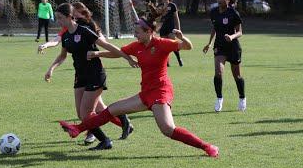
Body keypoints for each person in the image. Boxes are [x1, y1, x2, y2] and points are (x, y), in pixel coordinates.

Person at [58, 9, 219, 158]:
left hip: (160, 92)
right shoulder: (138, 46)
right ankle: (77, 129)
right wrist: (98, 53)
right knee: (112, 109)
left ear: (149, 31)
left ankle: (206, 147)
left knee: (168, 129)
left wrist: (182, 37)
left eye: (137, 33)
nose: (135, 36)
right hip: (146, 93)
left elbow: (187, 47)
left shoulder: (162, 43)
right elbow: (119, 52)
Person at [45, 3, 138, 150]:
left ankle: (105, 140)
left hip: (95, 74)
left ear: (70, 17)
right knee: (82, 115)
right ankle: (119, 123)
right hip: (80, 76)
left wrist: (128, 58)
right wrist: (51, 69)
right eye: (57, 18)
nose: (58, 21)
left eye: (60, 18)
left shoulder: (84, 31)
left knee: (86, 114)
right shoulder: (66, 36)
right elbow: (62, 56)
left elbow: (108, 46)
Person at [203, 0, 245, 112]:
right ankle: (219, 98)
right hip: (219, 46)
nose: (219, 0)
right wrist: (209, 43)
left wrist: (231, 37)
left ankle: (242, 98)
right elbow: (214, 28)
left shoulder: (233, 13)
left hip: (233, 47)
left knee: (237, 76)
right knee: (218, 73)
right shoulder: (214, 12)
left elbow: (240, 32)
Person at [150, 0, 183, 67]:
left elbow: (176, 17)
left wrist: (179, 29)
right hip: (163, 28)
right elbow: (156, 18)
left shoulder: (172, 6)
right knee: (164, 46)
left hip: (171, 28)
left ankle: (179, 59)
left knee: (173, 44)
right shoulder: (160, 6)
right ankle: (167, 62)